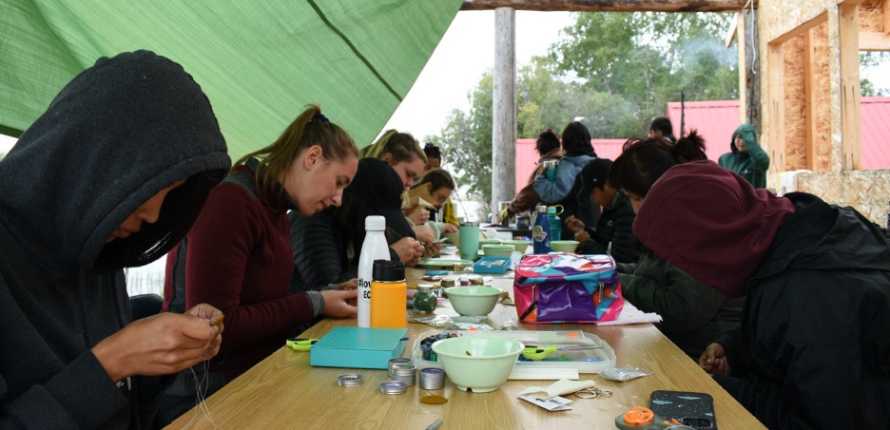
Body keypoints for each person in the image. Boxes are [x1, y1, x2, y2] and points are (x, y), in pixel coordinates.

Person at [0, 51, 229, 429]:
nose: (154, 215)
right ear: (94, 157)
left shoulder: (98, 244)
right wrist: (112, 361)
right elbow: (98, 373)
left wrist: (167, 350)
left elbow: (120, 405)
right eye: (156, 185)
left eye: (172, 192)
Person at [633, 161, 890, 429]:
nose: (692, 273)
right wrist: (734, 348)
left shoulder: (811, 294)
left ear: (711, 244)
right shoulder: (788, 234)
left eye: (686, 261)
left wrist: (716, 391)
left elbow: (820, 419)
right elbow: (788, 341)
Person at [161, 106, 360, 422]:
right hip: (204, 395)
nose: (338, 198)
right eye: (339, 182)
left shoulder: (276, 209)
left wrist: (329, 294)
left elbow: (265, 301)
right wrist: (315, 303)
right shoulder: (230, 201)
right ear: (312, 158)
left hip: (253, 376)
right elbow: (216, 329)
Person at [608, 133, 742, 359]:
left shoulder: (698, 227)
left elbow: (681, 309)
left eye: (634, 198)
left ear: (657, 191)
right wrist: (607, 269)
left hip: (707, 354)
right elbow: (653, 272)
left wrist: (616, 281)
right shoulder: (671, 221)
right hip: (677, 344)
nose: (633, 209)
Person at [566, 159, 641, 265]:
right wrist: (584, 230)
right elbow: (603, 241)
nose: (594, 199)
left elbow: (619, 260)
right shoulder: (611, 205)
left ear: (606, 185)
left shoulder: (628, 209)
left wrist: (587, 242)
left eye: (593, 193)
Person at [535, 122, 597, 235]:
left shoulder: (567, 166)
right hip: (592, 224)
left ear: (565, 142)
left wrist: (540, 180)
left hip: (569, 225)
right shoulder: (596, 164)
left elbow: (554, 194)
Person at [503, 129, 562, 221]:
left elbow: (529, 194)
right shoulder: (566, 164)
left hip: (549, 221)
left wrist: (507, 212)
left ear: (539, 149)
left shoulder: (547, 166)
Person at [404, 169, 459, 253]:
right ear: (428, 188)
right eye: (440, 198)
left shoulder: (423, 206)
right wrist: (410, 221)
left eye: (444, 200)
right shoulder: (406, 201)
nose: (441, 204)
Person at [718, 124, 770, 189]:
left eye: (745, 138)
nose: (742, 142)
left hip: (752, 198)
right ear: (734, 139)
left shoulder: (757, 160)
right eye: (739, 137)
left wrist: (750, 143)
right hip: (732, 198)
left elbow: (764, 161)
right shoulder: (725, 159)